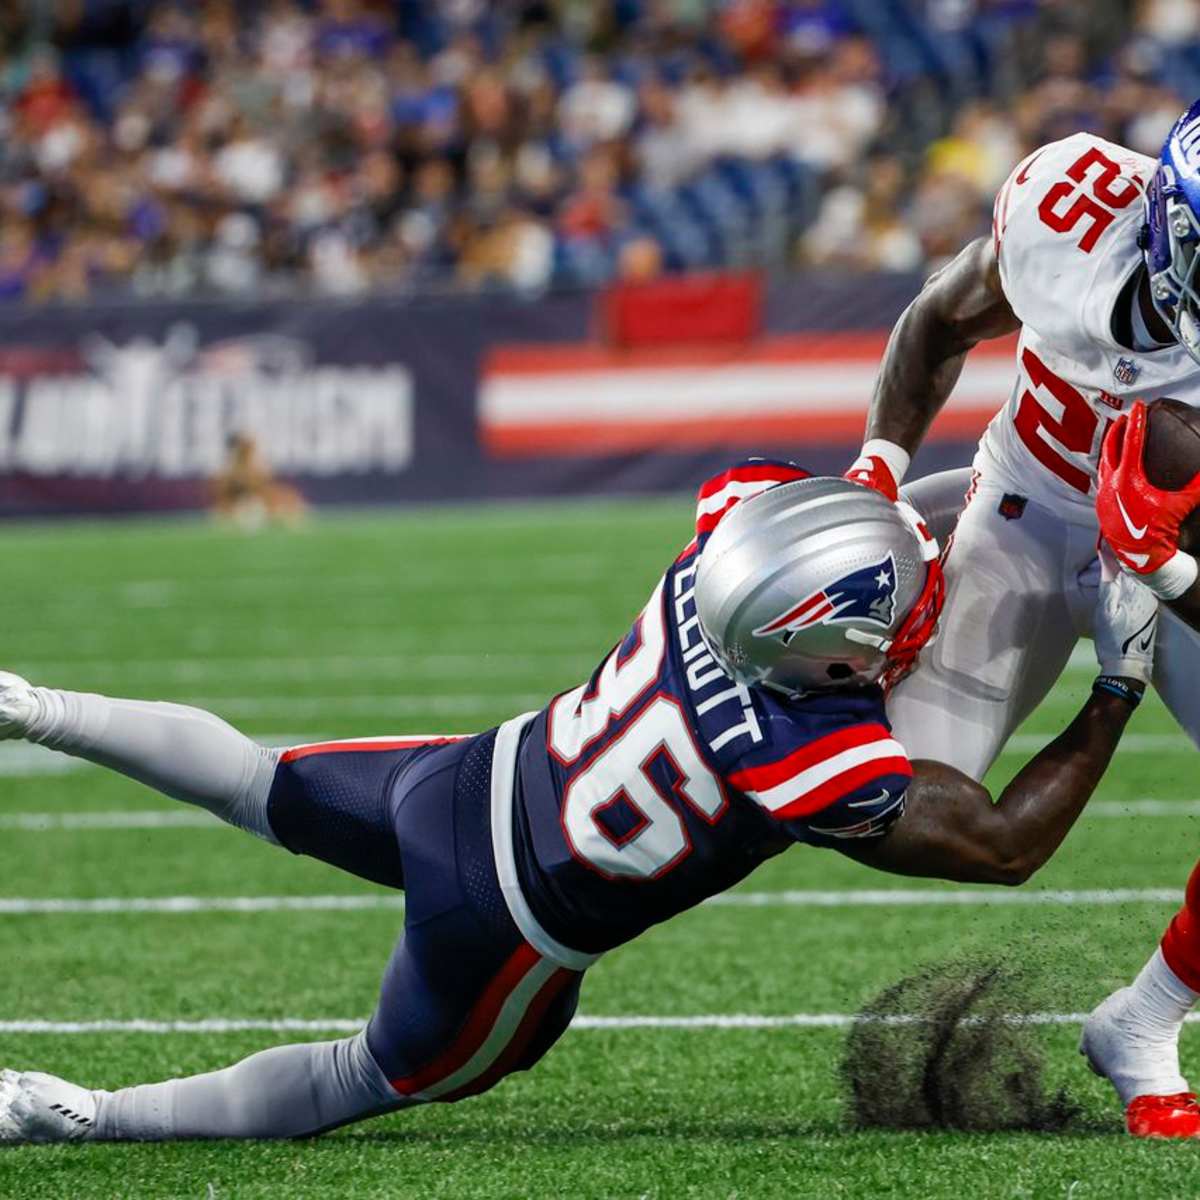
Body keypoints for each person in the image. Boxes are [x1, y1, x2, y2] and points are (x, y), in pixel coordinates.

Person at [0, 462, 1154, 1143]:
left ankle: (34, 706)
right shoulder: (809, 756)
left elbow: (859, 510)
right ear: (830, 653)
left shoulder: (725, 545)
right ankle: (90, 1114)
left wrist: (1000, 496)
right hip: (508, 926)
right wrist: (1115, 682)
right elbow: (1005, 846)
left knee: (257, 780)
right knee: (377, 1074)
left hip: (466, 778)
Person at [842, 99, 1200, 1137]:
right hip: (1025, 518)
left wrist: (1163, 575)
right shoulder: (1071, 204)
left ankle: (1142, 1022)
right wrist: (877, 475)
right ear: (1172, 221)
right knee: (890, 807)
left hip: (1178, 561)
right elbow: (936, 318)